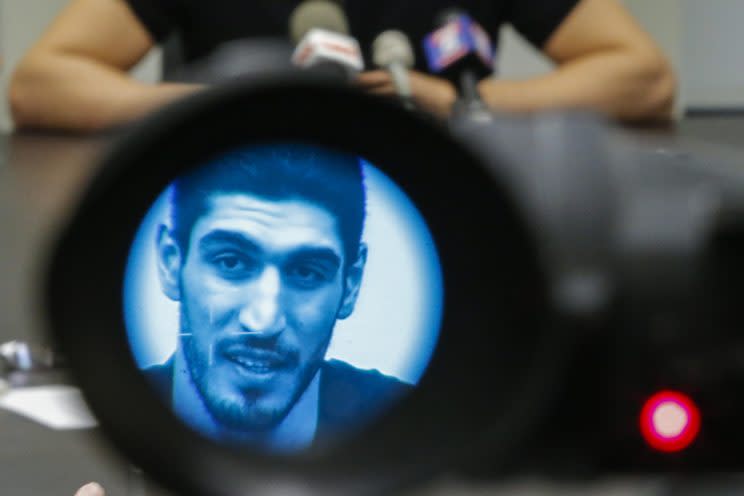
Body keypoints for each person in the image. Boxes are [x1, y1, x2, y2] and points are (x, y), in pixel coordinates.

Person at [10, 0, 676, 131]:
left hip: (441, 201)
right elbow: (44, 80)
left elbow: (643, 77)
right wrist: (216, 104)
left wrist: (461, 104)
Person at [145, 144, 410, 452]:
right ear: (170, 263)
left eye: (307, 272)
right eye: (231, 262)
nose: (265, 321)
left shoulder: (422, 430)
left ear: (351, 285)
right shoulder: (85, 432)